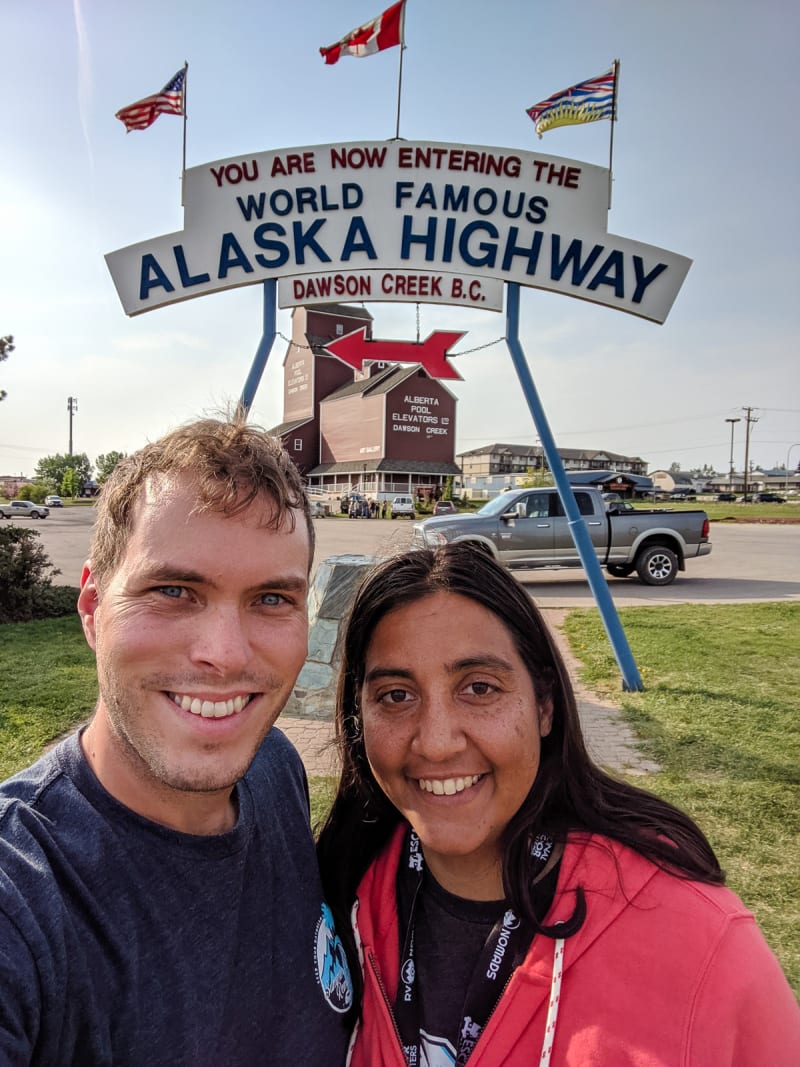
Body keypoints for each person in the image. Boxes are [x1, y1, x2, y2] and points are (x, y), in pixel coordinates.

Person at [317, 541, 800, 1067]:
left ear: (545, 705)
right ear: (357, 717)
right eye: (396, 695)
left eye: (479, 688)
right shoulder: (342, 896)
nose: (435, 742)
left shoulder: (700, 942)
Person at [0, 417, 353, 1066]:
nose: (223, 653)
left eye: (272, 598)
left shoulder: (276, 771)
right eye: (173, 589)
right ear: (92, 609)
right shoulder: (23, 892)